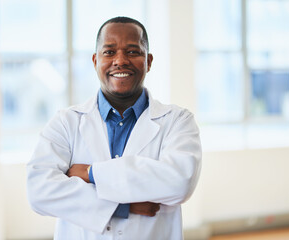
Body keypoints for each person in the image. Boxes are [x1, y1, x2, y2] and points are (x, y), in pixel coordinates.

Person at [27, 16, 202, 240]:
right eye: (109, 52)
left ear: (148, 61)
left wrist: (89, 173)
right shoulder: (66, 122)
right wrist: (122, 206)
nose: (120, 60)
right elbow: (39, 192)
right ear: (95, 60)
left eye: (132, 51)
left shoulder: (177, 121)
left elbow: (179, 182)